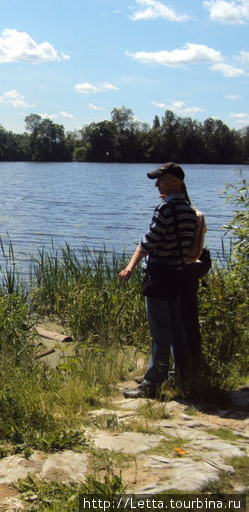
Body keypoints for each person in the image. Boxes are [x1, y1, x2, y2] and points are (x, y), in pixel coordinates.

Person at [119, 162, 199, 398]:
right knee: (177, 331)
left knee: (160, 333)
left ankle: (151, 385)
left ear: (175, 182)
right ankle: (180, 377)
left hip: (158, 277)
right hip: (176, 275)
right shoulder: (190, 211)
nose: (156, 184)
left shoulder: (165, 210)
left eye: (160, 180)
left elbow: (147, 243)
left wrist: (130, 266)